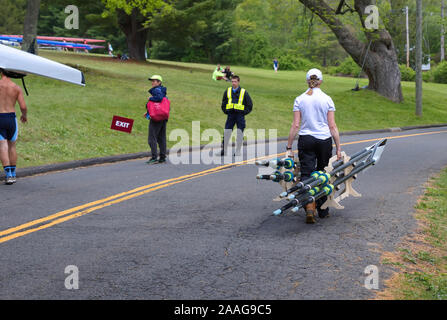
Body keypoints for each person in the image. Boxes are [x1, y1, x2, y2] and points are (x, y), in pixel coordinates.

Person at [286, 68, 341, 224]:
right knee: (323, 173)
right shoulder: (327, 99)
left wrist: (289, 146)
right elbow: (332, 126)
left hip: (306, 139)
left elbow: (295, 125)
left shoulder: (300, 99)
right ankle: (323, 210)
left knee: (306, 173)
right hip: (324, 140)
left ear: (307, 81)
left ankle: (309, 206)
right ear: (321, 81)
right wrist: (338, 147)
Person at [0, 69, 28, 185]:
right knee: (12, 146)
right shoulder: (16, 88)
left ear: (1, 73)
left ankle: (8, 176)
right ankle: (13, 174)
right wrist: (24, 116)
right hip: (11, 118)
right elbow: (23, 106)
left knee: (2, 146)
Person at [220, 75, 253, 156]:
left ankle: (237, 150)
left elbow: (250, 105)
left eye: (235, 81)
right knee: (227, 131)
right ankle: (224, 150)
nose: (233, 83)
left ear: (238, 82)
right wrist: (226, 111)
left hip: (240, 116)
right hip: (230, 115)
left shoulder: (243, 92)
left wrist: (243, 113)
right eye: (232, 81)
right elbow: (224, 102)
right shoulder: (227, 91)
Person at [145, 75, 168, 164]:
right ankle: (162, 157)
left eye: (154, 81)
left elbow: (158, 98)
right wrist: (147, 112)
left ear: (159, 82)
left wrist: (150, 98)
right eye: (152, 81)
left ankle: (154, 157)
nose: (152, 82)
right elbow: (158, 105)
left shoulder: (156, 90)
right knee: (161, 138)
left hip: (156, 118)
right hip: (163, 117)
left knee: (152, 138)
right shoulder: (163, 90)